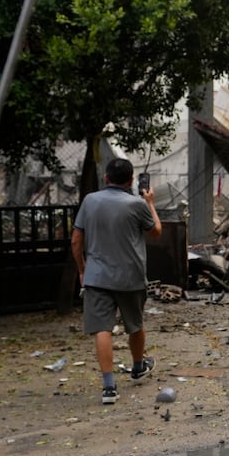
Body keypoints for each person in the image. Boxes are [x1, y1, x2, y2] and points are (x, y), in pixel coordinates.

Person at [70, 157, 162, 404]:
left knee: (102, 328)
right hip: (130, 276)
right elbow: (156, 232)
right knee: (135, 324)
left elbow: (76, 240)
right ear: (132, 181)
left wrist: (82, 269)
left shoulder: (90, 201)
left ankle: (109, 387)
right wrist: (150, 203)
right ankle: (138, 365)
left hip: (97, 277)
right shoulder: (136, 204)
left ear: (106, 178)